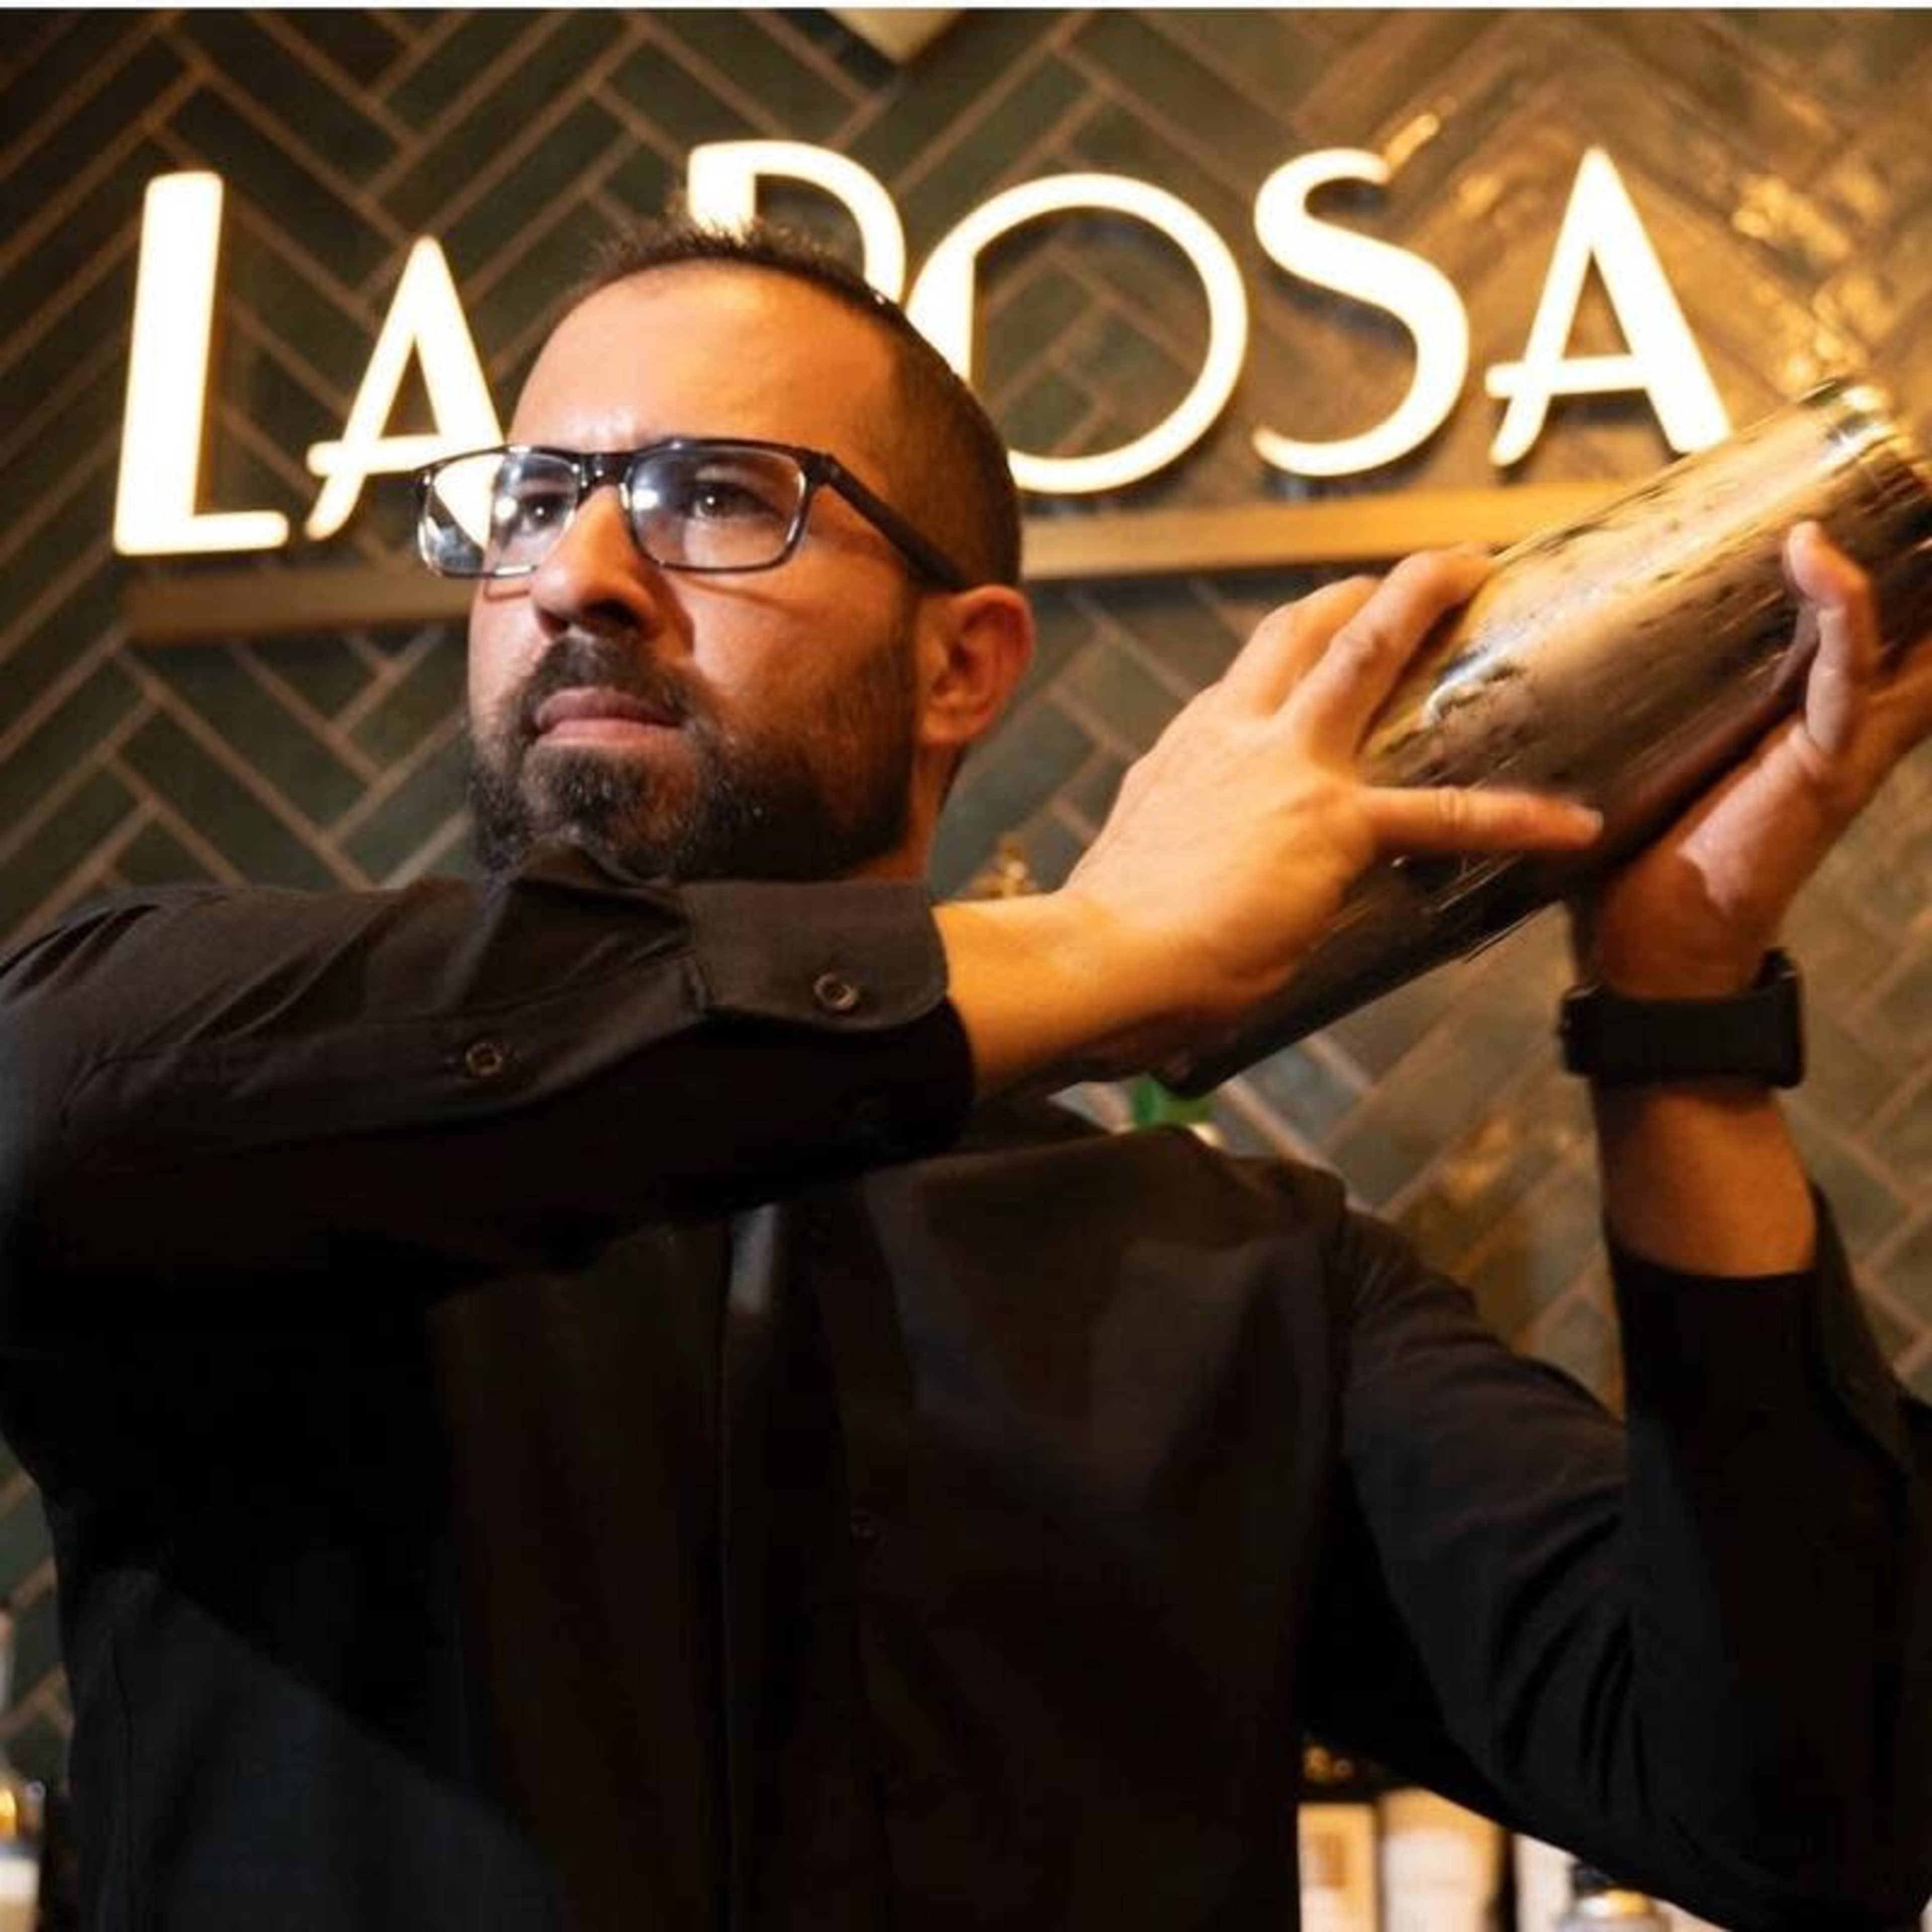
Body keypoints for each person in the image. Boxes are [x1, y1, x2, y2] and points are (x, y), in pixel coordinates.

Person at [1, 218, 1929, 1932]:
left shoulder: (1248, 1278)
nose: (582, 570)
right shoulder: (254, 1136)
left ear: (963, 665)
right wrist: (1112, 945)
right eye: (532, 497)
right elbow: (50, 1102)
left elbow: (1804, 1813)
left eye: (711, 494)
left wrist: (1682, 1025)